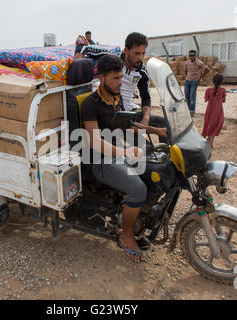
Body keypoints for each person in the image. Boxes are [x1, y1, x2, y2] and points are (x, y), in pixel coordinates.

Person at [81, 54, 167, 263]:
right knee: (138, 188)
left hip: (119, 152)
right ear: (101, 78)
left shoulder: (116, 98)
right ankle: (126, 235)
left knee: (156, 169)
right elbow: (94, 142)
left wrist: (155, 130)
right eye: (115, 78)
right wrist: (125, 152)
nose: (120, 83)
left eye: (121, 77)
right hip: (100, 161)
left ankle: (140, 217)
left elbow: (128, 124)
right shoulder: (90, 104)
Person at [120, 32, 168, 143]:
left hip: (131, 112)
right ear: (126, 50)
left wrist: (145, 118)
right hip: (119, 116)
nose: (140, 58)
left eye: (143, 53)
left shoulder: (142, 71)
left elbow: (146, 97)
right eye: (137, 53)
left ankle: (166, 154)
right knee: (146, 148)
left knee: (165, 123)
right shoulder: (116, 66)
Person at [202, 74, 225, 149]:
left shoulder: (208, 90)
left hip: (210, 110)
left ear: (213, 81)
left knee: (208, 124)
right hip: (218, 110)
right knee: (215, 125)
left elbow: (206, 100)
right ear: (221, 82)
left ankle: (208, 142)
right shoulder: (223, 90)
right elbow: (223, 101)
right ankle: (210, 143)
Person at [184, 49, 210, 116]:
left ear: (195, 56)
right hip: (187, 81)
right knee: (186, 96)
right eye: (190, 55)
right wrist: (187, 76)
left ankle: (192, 111)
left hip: (194, 81)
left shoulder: (199, 63)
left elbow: (207, 69)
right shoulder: (187, 63)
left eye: (193, 55)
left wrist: (201, 76)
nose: (191, 57)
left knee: (192, 96)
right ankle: (188, 109)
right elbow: (185, 71)